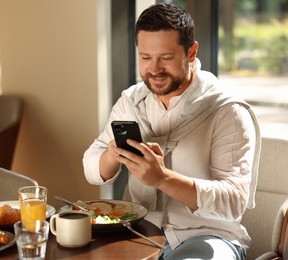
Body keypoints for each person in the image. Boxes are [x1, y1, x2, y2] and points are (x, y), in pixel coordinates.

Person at [83, 3, 261, 260]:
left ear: (191, 52)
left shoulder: (226, 110)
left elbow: (233, 202)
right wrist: (112, 155)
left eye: (166, 58)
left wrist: (163, 178)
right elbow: (91, 163)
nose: (154, 69)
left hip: (207, 236)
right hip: (139, 231)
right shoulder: (131, 102)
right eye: (145, 57)